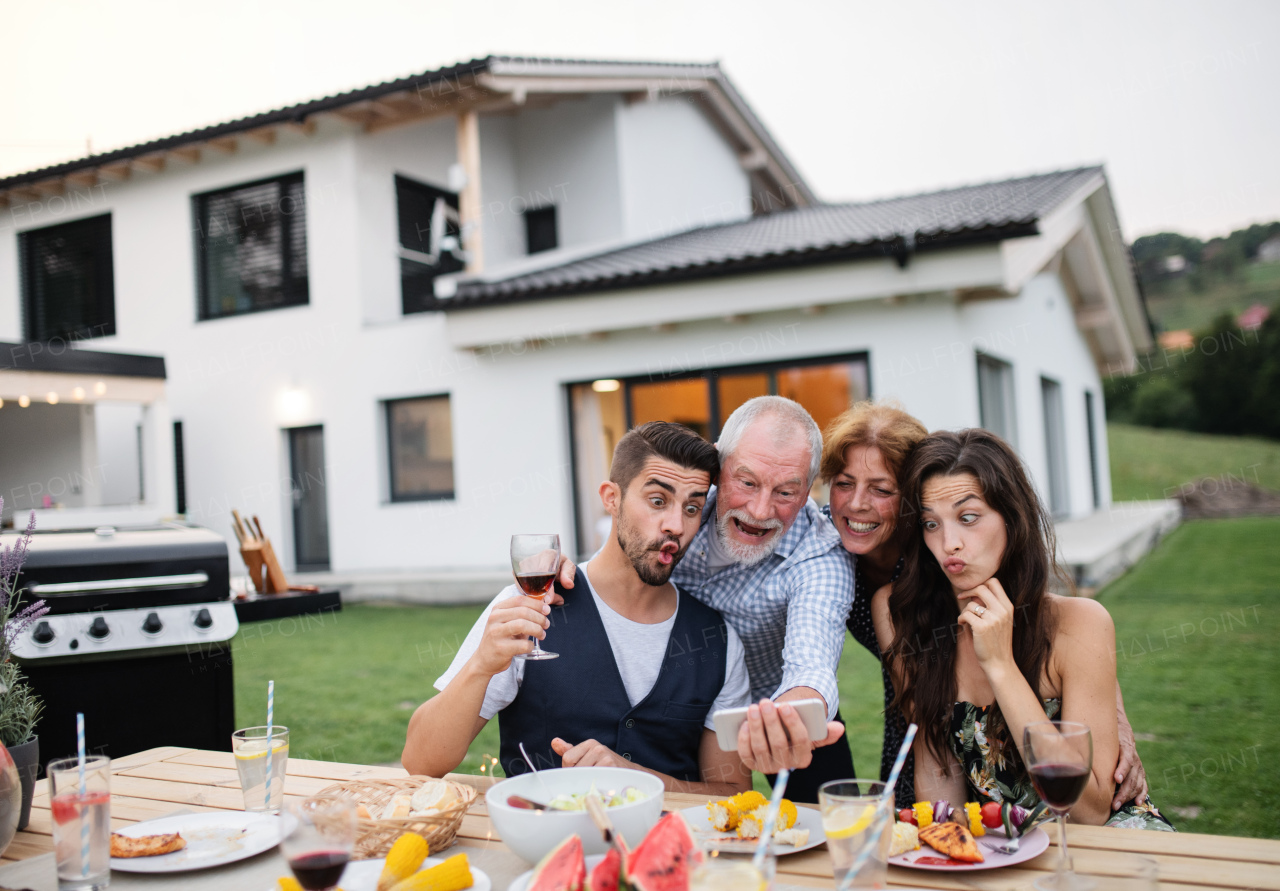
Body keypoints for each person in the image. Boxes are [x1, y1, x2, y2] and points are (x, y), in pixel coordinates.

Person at [823, 401, 1152, 811]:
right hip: (950, 768)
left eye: (882, 489)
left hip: (1091, 840)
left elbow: (1091, 809)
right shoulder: (848, 568)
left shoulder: (1073, 621)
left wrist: (1110, 719)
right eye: (932, 523)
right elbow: (936, 765)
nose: (949, 543)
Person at [402, 422, 753, 796]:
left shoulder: (717, 638)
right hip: (541, 844)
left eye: (693, 507)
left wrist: (638, 778)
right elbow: (421, 762)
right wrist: (480, 666)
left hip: (671, 849)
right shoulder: (530, 609)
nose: (675, 525)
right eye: (657, 501)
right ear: (611, 498)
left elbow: (733, 792)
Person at [666, 396, 854, 802]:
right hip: (678, 707)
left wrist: (795, 709)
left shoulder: (820, 554)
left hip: (778, 713)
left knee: (836, 827)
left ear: (808, 492)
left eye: (786, 492)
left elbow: (814, 659)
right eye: (747, 482)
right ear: (719, 467)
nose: (759, 509)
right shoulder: (681, 511)